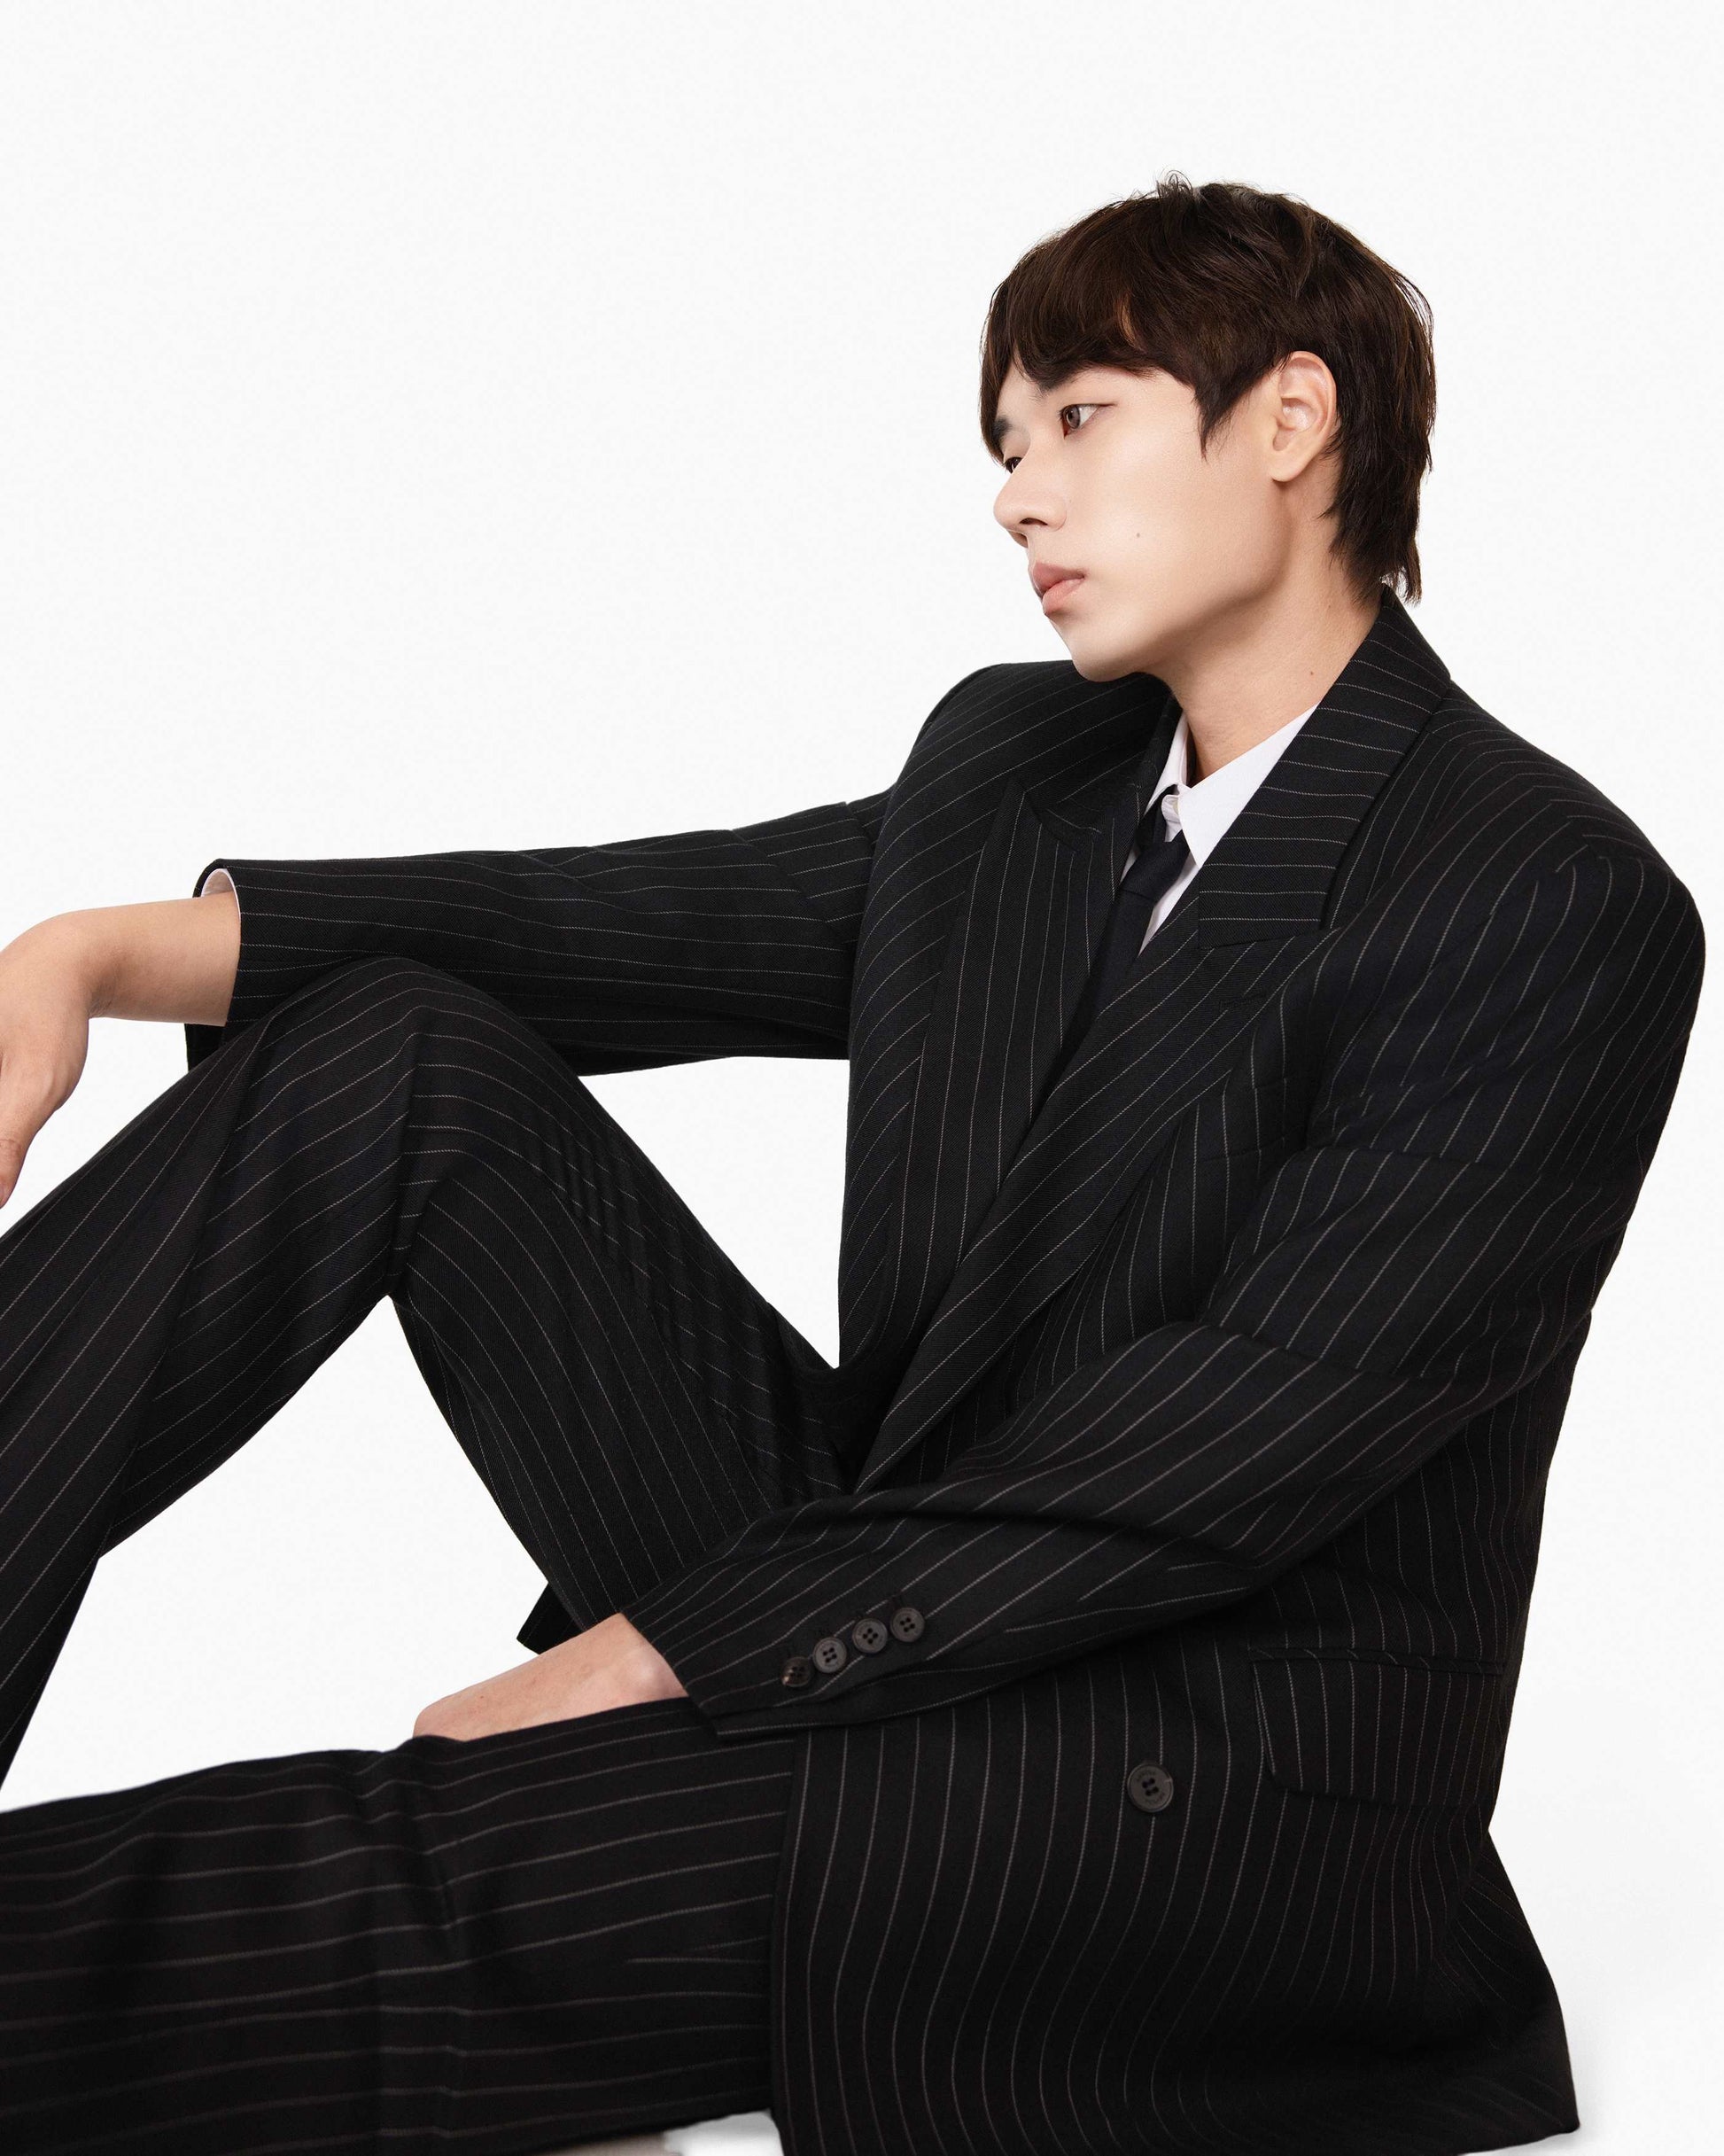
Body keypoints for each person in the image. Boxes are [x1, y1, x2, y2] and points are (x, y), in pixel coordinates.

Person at [0, 172, 1703, 2156]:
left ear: (1292, 421)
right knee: (392, 1055)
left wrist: (668, 1650)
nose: (1014, 497)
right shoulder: (1018, 767)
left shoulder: (1542, 896)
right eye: (1006, 441)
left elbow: (1219, 1454)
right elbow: (636, 924)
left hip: (1192, 1766)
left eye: (1078, 418)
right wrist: (94, 955)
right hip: (903, 1575)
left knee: (385, 1875)